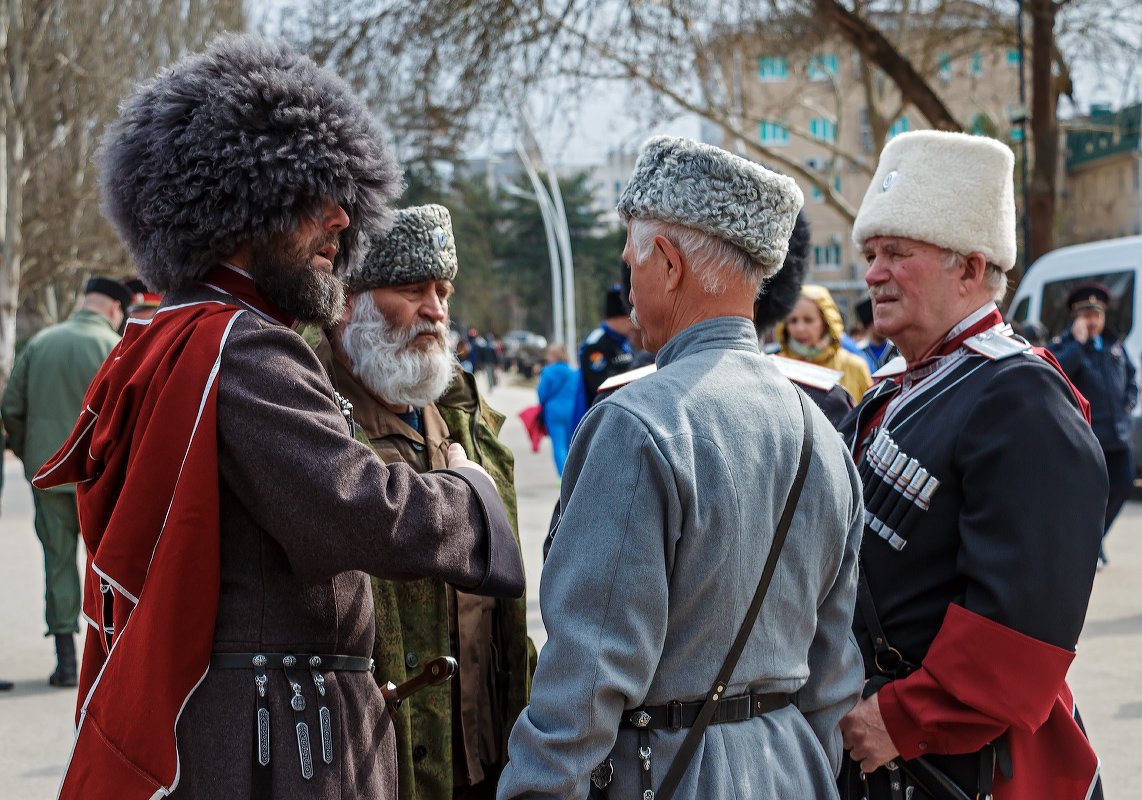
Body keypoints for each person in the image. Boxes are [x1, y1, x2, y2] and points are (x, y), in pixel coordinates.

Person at [31, 34, 524, 800]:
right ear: (239, 208)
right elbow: (355, 509)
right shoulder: (247, 345)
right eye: (311, 198)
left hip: (254, 725)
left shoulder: (181, 332)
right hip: (283, 745)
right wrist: (468, 496)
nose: (340, 222)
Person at [498, 136, 864, 800]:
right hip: (794, 770)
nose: (627, 286)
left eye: (630, 262)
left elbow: (584, 683)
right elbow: (835, 676)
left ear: (666, 263)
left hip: (665, 772)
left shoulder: (637, 425)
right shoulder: (822, 429)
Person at [837, 130, 1105, 800]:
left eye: (896, 253)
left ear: (969, 267)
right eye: (872, 254)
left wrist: (900, 718)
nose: (873, 272)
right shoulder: (899, 385)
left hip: (949, 761)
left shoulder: (1020, 395)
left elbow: (1022, 625)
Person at [308, 203, 534, 800]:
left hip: (483, 757)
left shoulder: (464, 416)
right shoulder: (313, 420)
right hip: (378, 766)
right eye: (411, 290)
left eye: (442, 290)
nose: (435, 309)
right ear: (348, 302)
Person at [1, 275, 132, 687]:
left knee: (57, 565)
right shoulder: (116, 348)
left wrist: (32, 456)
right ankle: (112, 660)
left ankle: (66, 662)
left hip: (49, 478)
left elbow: (12, 408)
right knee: (108, 568)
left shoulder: (40, 343)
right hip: (103, 482)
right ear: (115, 308)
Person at [1048, 283, 1138, 566]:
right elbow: (1056, 374)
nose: (1092, 321)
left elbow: (1132, 376)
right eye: (1086, 315)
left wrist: (1129, 399)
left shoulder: (1114, 345)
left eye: (1096, 315)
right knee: (1091, 496)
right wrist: (1078, 344)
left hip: (1117, 434)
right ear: (1075, 318)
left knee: (1123, 485)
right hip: (1087, 438)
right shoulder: (1065, 346)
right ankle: (1089, 545)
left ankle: (1095, 541)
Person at [776, 284, 872, 401]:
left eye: (808, 320)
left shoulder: (854, 366)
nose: (799, 328)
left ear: (826, 322)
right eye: (793, 320)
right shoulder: (775, 368)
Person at [571, 282, 635, 427]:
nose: (633, 324)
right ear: (617, 317)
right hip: (598, 421)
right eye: (630, 317)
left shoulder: (625, 343)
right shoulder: (595, 344)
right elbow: (601, 385)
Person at [536, 343, 579, 476]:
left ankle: (563, 477)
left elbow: (541, 394)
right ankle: (573, 475)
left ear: (554, 355)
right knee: (570, 445)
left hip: (554, 411)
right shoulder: (573, 371)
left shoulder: (548, 371)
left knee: (558, 445)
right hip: (572, 410)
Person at [854, 296, 895, 372]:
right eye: (879, 321)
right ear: (868, 326)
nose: (884, 325)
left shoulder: (896, 350)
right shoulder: (859, 352)